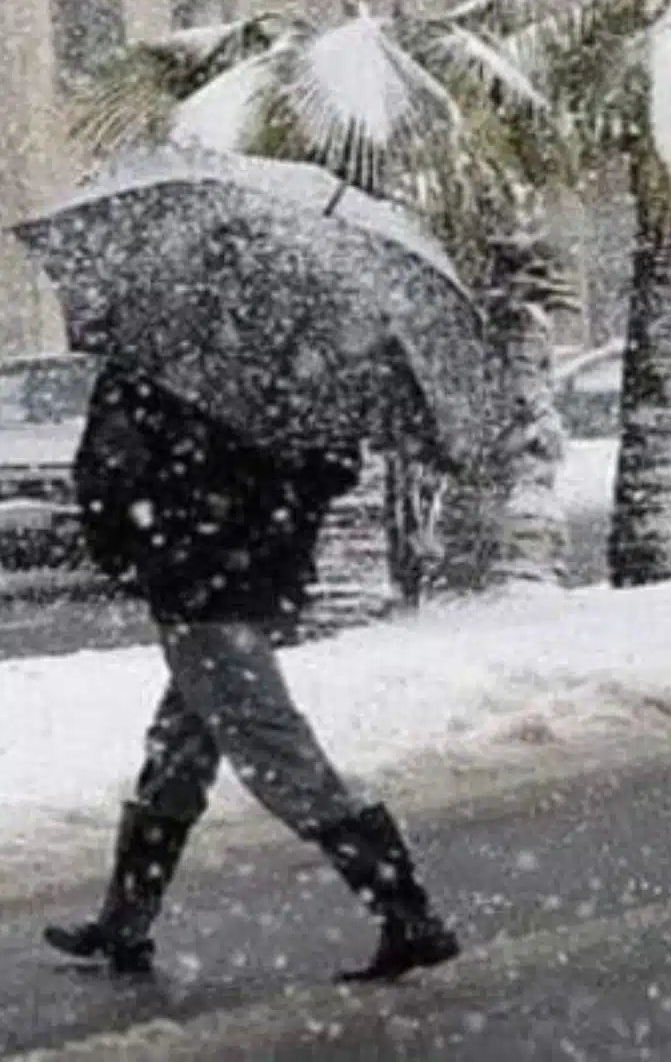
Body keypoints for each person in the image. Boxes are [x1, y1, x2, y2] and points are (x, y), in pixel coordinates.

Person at [44, 360, 460, 982]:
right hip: (246, 581)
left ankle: (408, 914)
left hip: (203, 591)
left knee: (277, 755)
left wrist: (150, 540)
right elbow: (331, 468)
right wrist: (261, 511)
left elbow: (108, 475)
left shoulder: (157, 363)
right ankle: (124, 925)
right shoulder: (291, 359)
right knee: (179, 753)